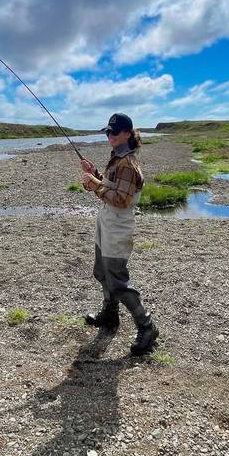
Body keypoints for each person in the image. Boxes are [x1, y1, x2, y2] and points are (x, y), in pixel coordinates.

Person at [80, 113, 159, 355]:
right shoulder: (118, 159)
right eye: (107, 132)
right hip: (106, 223)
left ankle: (147, 326)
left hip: (118, 226)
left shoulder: (128, 164)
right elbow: (112, 187)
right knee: (101, 272)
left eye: (114, 132)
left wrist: (94, 184)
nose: (110, 136)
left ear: (127, 133)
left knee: (117, 280)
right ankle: (110, 316)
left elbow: (122, 199)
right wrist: (97, 174)